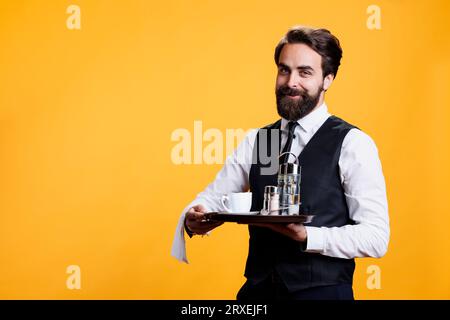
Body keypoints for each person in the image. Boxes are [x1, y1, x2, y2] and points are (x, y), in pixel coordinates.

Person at [171, 26, 390, 300]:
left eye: (305, 72)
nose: (291, 82)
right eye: (284, 70)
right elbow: (214, 198)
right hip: (257, 293)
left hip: (322, 294)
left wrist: (308, 236)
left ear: (328, 79)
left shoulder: (352, 143)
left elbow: (376, 237)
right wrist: (194, 217)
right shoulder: (260, 141)